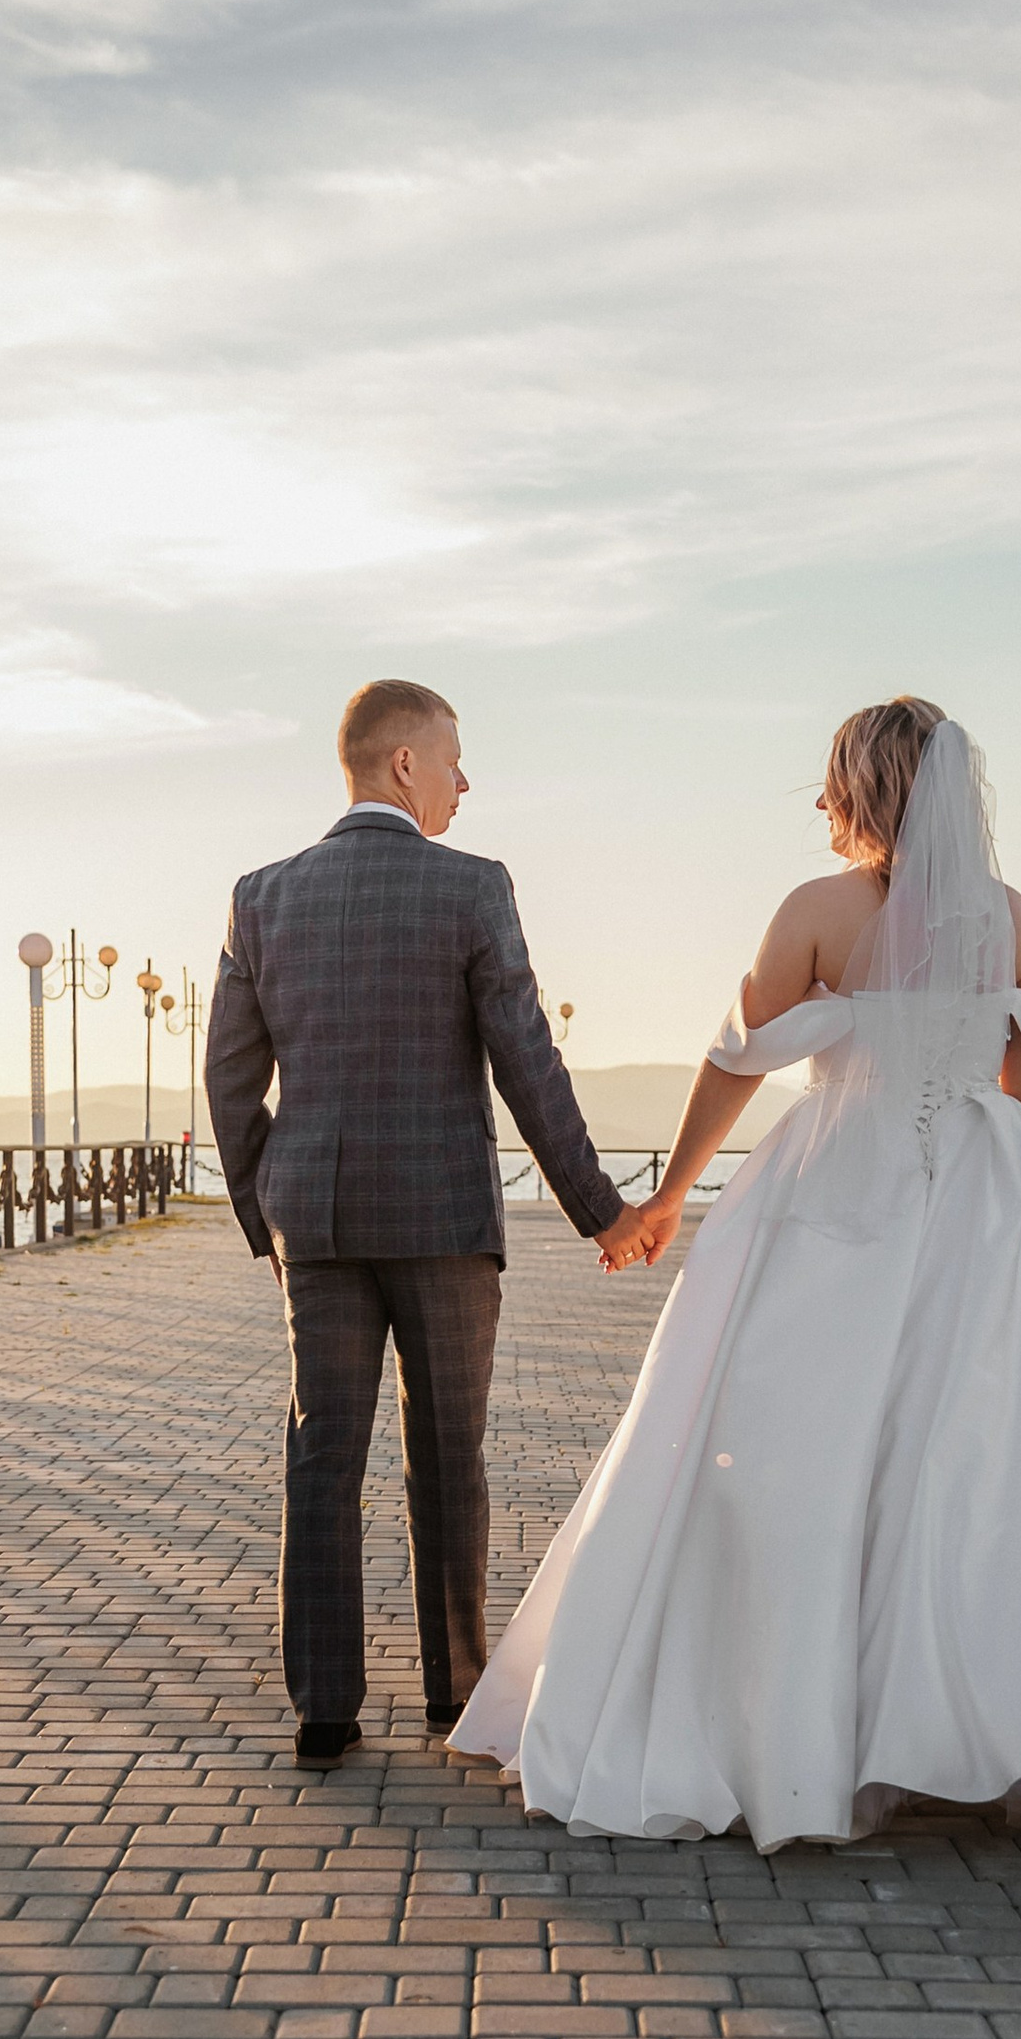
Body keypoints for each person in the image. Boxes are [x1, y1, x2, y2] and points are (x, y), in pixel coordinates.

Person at [451, 696, 1021, 1844]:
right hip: (992, 1187)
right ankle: (1000, 1710)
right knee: (1000, 1440)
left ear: (856, 787)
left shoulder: (815, 910)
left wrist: (668, 1196)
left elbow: (736, 1060)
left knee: (801, 1433)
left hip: (841, 1174)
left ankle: (802, 1719)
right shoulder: (1007, 915)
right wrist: (982, 1122)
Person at [206, 678, 651, 1766]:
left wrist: (271, 1214)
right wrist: (601, 1211)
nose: (465, 780)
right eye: (454, 758)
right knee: (449, 1459)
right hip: (445, 1217)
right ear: (405, 763)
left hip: (316, 1224)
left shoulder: (260, 897)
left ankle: (324, 1708)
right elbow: (527, 1062)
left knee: (321, 1457)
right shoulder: (472, 888)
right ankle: (455, 1691)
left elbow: (228, 1079)